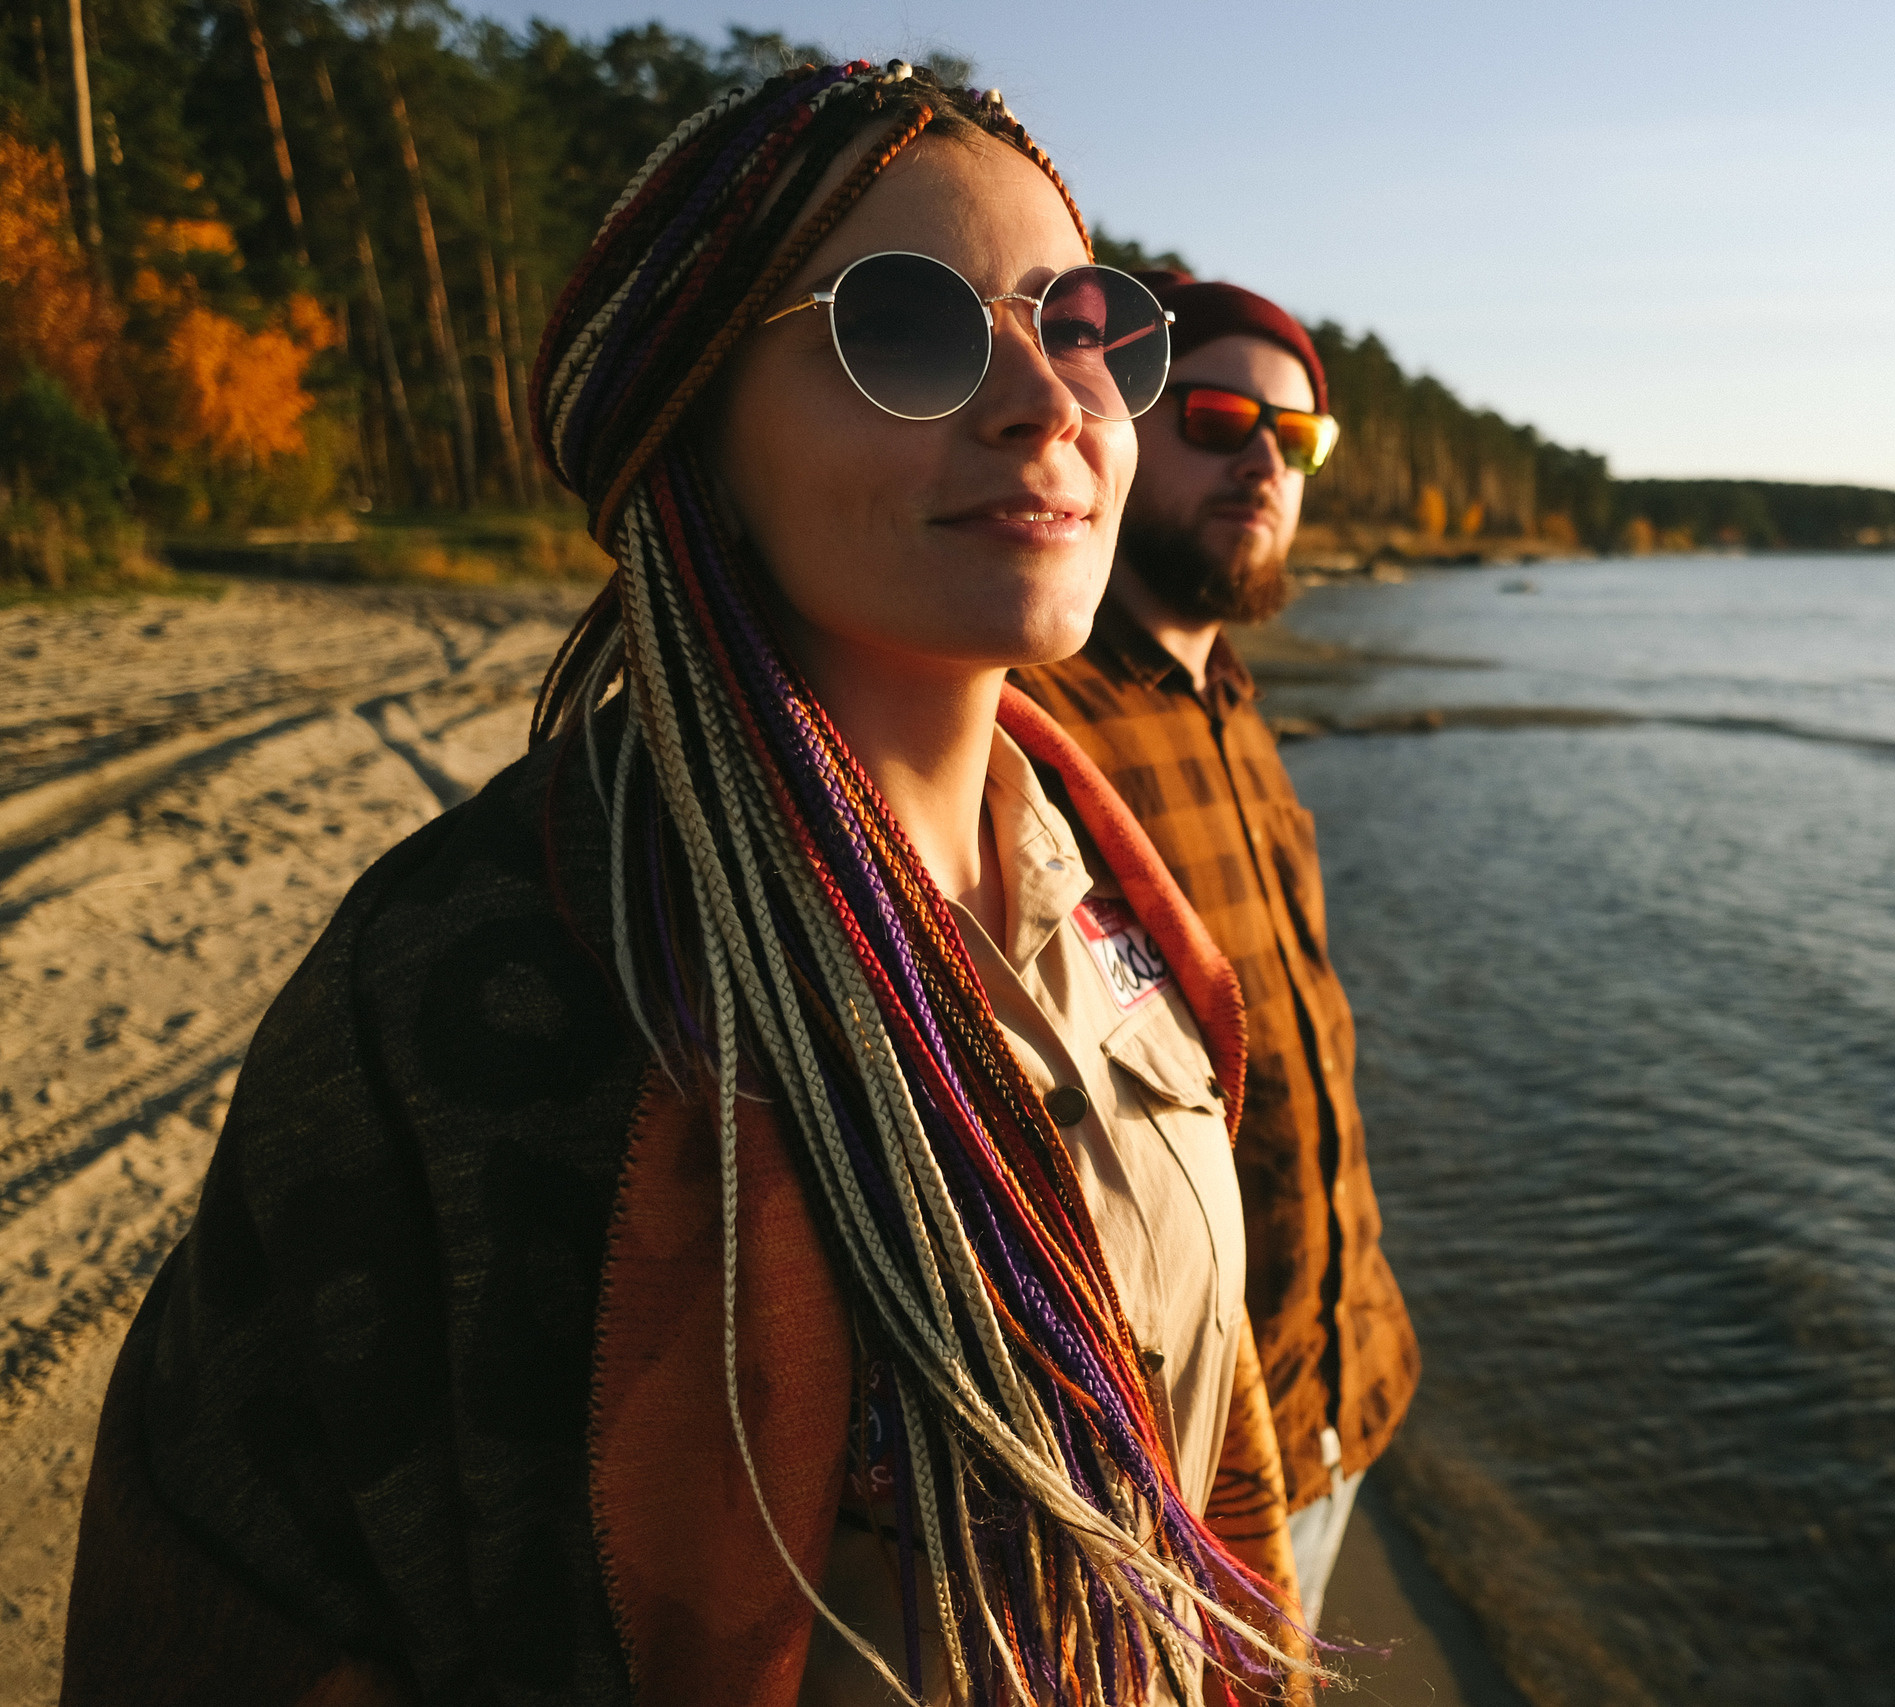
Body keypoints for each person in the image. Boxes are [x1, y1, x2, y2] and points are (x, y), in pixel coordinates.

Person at [62, 61, 1311, 1707]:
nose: (1051, 399)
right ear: (698, 433)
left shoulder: (1121, 895)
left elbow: (1209, 1477)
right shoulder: (492, 972)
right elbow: (239, 1599)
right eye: (914, 329)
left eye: (1079, 322)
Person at [1009, 275, 1418, 1628]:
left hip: (1338, 1390)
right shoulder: (1020, 718)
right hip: (1182, 1466)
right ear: (1116, 425)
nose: (1265, 460)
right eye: (1223, 416)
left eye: (1298, 441)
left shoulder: (1233, 700)